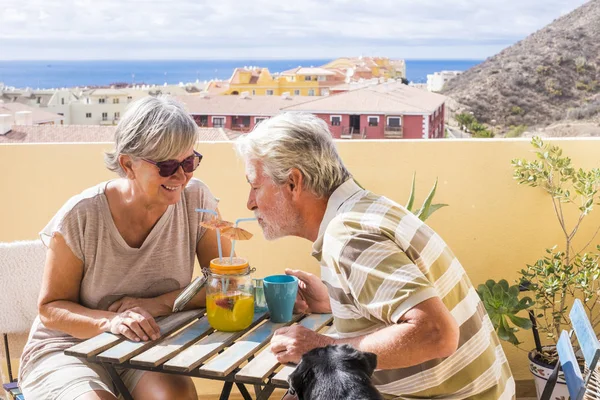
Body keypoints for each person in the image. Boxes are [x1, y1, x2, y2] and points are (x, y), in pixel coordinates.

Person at [235, 113, 515, 399]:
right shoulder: (366, 208)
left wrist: (321, 347)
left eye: (256, 186)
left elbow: (436, 333)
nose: (250, 202)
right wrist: (336, 302)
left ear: (293, 182)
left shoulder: (348, 236)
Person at [19, 96, 231, 400]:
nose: (182, 176)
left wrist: (155, 305)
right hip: (68, 348)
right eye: (168, 165)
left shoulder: (196, 200)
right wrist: (112, 321)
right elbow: (51, 309)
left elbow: (223, 284)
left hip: (148, 342)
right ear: (127, 164)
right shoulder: (82, 216)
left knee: (176, 397)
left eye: (189, 161)